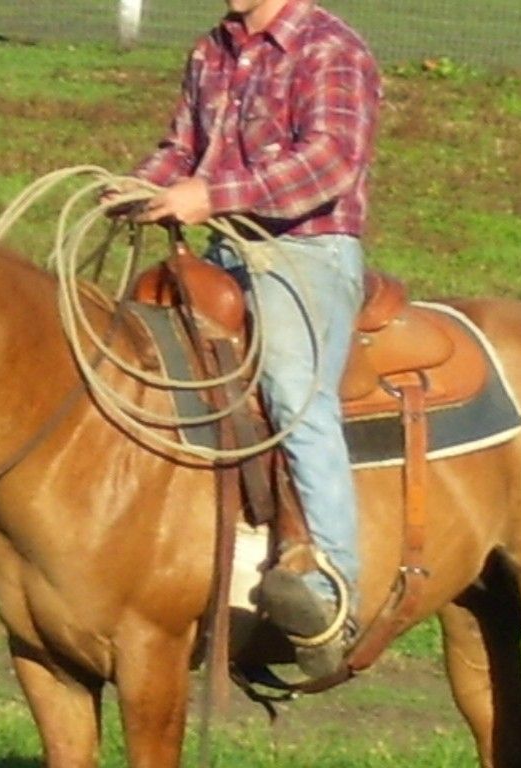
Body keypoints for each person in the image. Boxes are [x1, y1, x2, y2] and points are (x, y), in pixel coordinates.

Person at [130, 0, 381, 678]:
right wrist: (139, 186)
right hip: (227, 248)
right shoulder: (211, 49)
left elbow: (329, 164)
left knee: (295, 390)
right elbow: (182, 147)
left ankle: (332, 588)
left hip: (306, 249)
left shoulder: (331, 48)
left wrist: (210, 198)